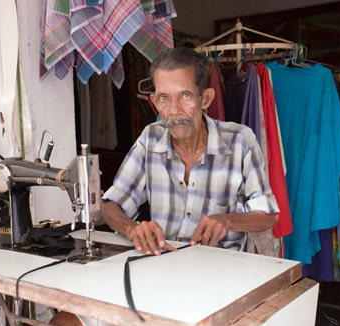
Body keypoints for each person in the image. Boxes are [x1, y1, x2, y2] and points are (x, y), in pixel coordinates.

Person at [101, 47, 279, 255]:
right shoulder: (150, 139)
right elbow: (110, 205)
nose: (174, 110)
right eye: (164, 98)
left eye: (185, 96)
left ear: (206, 99)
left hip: (223, 266)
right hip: (164, 259)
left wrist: (227, 220)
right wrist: (132, 229)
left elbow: (269, 215)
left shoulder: (240, 141)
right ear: (154, 102)